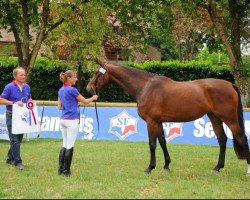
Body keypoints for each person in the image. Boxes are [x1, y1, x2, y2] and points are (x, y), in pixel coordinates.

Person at [57, 70, 98, 177]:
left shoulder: (61, 90)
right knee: (70, 145)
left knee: (64, 144)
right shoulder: (73, 90)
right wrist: (93, 98)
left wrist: (75, 104)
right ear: (69, 78)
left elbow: (60, 107)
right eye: (74, 77)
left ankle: (60, 169)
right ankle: (67, 171)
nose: (76, 79)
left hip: (63, 119)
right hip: (72, 120)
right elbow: (86, 101)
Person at [0, 67, 32, 170]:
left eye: (24, 75)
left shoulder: (27, 87)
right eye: (21, 75)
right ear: (15, 76)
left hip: (22, 117)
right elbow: (1, 99)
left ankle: (9, 158)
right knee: (14, 139)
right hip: (11, 115)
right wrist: (13, 103)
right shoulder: (9, 87)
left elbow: (29, 98)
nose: (23, 76)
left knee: (18, 139)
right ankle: (18, 162)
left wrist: (31, 101)